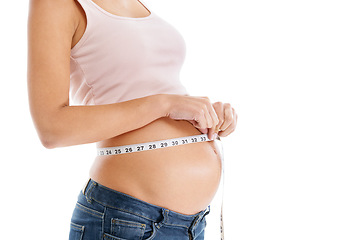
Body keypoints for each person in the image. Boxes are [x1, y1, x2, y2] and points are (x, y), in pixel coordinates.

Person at [27, 0, 238, 239]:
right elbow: (52, 128)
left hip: (193, 225)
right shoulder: (57, 4)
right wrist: (165, 104)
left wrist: (206, 113)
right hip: (127, 221)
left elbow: (145, 85)